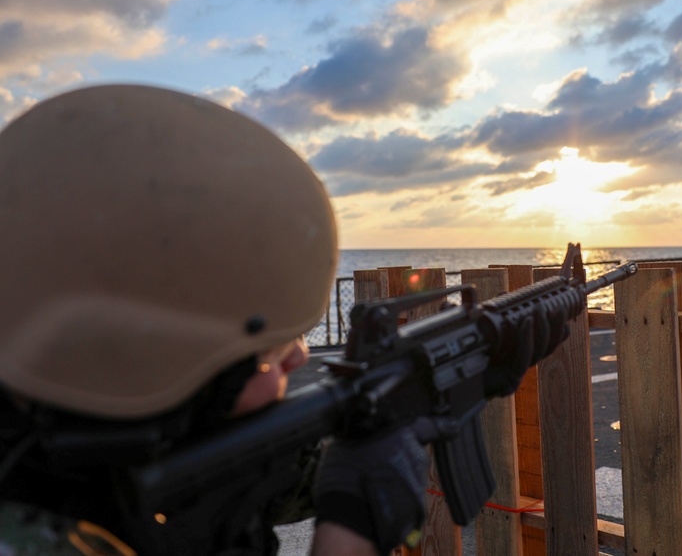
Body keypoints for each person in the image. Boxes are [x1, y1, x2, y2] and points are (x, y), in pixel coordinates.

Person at [0, 85, 428, 555]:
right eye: (269, 353)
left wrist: (354, 453)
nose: (299, 359)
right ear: (144, 361)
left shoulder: (61, 466)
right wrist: (351, 538)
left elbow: (246, 485)